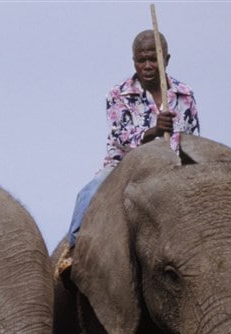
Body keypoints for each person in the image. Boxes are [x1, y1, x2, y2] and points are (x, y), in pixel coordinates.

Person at [57, 29, 199, 278]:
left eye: (153, 58)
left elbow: (193, 140)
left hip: (171, 169)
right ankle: (74, 250)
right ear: (133, 61)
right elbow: (120, 137)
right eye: (140, 59)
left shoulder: (184, 94)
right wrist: (154, 131)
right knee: (89, 191)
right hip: (124, 166)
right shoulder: (118, 94)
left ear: (166, 59)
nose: (147, 65)